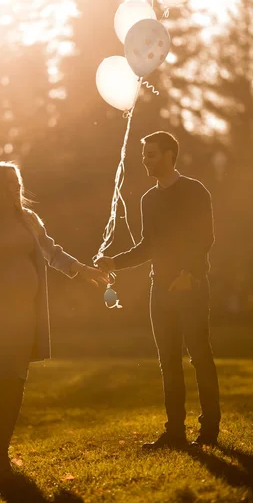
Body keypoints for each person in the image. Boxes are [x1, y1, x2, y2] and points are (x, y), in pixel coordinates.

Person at [0, 161, 108, 476]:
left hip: (27, 314)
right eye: (10, 186)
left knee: (16, 381)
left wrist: (83, 270)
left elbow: (51, 251)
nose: (17, 190)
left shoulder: (28, 219)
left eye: (18, 184)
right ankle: (0, 455)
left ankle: (2, 449)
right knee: (8, 379)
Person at [96, 131, 221, 449]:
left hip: (191, 286)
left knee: (199, 356)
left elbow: (204, 237)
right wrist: (114, 262)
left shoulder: (195, 191)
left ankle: (209, 430)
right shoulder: (148, 199)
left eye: (151, 154)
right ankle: (175, 433)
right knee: (168, 361)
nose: (144, 160)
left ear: (168, 155)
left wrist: (189, 274)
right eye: (143, 154)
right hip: (160, 289)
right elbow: (147, 247)